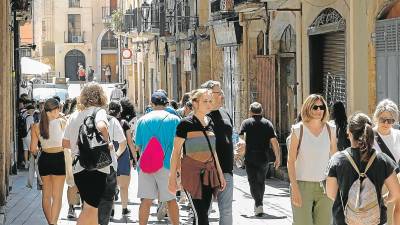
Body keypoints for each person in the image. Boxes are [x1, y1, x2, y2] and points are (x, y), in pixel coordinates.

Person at [326, 112, 400, 225]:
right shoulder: (383, 160)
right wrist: (384, 199)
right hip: (376, 220)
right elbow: (395, 193)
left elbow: (331, 193)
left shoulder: (337, 160)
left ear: (349, 133)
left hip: (344, 220)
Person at [169, 89, 226, 225]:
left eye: (210, 101)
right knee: (201, 215)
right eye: (205, 101)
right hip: (191, 175)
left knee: (203, 213)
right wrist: (172, 179)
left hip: (209, 174)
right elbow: (176, 152)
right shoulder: (185, 124)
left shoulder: (211, 122)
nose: (209, 104)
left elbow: (214, 151)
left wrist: (220, 174)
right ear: (195, 103)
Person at [62, 83, 111, 225]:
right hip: (97, 167)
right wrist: (107, 142)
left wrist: (79, 145)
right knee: (90, 208)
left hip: (78, 167)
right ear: (101, 96)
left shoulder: (73, 116)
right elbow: (101, 126)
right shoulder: (99, 112)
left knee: (92, 208)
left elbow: (65, 143)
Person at [287, 94, 337, 225]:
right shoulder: (298, 130)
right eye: (315, 107)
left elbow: (335, 158)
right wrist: (295, 187)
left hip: (326, 186)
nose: (319, 110)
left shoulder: (330, 129)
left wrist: (336, 182)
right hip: (302, 185)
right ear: (308, 108)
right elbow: (290, 161)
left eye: (322, 107)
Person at [135, 91, 180, 225]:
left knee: (146, 201)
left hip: (147, 165)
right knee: (171, 200)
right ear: (166, 104)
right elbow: (179, 146)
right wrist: (179, 167)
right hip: (167, 164)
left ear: (152, 104)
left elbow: (139, 146)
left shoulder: (142, 120)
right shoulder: (174, 120)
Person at [238, 102, 281, 216]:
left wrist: (239, 156)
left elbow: (241, 140)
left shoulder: (246, 123)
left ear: (250, 111)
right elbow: (274, 142)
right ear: (261, 111)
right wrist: (278, 157)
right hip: (264, 157)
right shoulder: (268, 123)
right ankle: (259, 204)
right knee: (261, 181)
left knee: (252, 181)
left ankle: (258, 203)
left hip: (250, 157)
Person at [201, 80, 234, 225]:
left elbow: (231, 135)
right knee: (204, 210)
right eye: (218, 93)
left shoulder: (225, 113)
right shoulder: (200, 117)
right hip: (205, 171)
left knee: (226, 210)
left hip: (226, 170)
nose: (222, 96)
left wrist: (240, 143)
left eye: (221, 92)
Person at [30, 98, 66, 225]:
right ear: (56, 110)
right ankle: (54, 223)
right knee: (57, 196)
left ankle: (50, 222)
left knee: (46, 195)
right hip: (59, 158)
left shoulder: (36, 126)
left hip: (44, 159)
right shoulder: (62, 122)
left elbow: (32, 149)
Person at [98, 101, 127, 225]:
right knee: (107, 197)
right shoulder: (111, 120)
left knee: (90, 201)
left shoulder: (80, 117)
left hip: (87, 165)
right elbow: (123, 142)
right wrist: (117, 154)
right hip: (108, 164)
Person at [373, 99, 400, 225]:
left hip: (395, 179)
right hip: (374, 181)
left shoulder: (398, 135)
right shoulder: (368, 135)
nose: (386, 123)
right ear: (377, 117)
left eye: (390, 120)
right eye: (383, 119)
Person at [108, 101, 136, 217]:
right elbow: (129, 142)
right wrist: (136, 158)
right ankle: (124, 208)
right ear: (120, 111)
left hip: (110, 152)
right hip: (123, 154)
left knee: (111, 185)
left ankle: (112, 210)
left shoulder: (105, 122)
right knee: (124, 186)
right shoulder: (124, 123)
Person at [23, 104, 35, 170]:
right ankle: (30, 164)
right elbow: (32, 127)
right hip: (29, 136)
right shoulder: (30, 117)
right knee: (31, 150)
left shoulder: (24, 115)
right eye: (32, 110)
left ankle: (26, 164)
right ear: (29, 110)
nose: (33, 112)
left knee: (25, 150)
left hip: (23, 135)